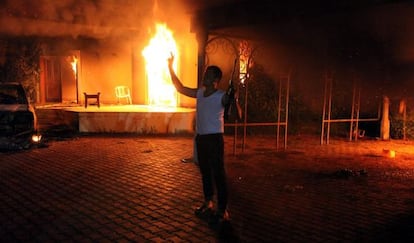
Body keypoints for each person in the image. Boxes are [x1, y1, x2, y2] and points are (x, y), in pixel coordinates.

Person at [168, 54, 230, 224]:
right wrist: (170, 67)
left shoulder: (221, 96)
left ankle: (222, 209)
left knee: (218, 174)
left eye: (208, 74)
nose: (204, 76)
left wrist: (233, 99)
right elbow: (180, 88)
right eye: (205, 73)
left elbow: (236, 112)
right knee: (205, 173)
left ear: (216, 79)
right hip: (202, 139)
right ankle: (208, 202)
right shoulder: (201, 93)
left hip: (215, 140)